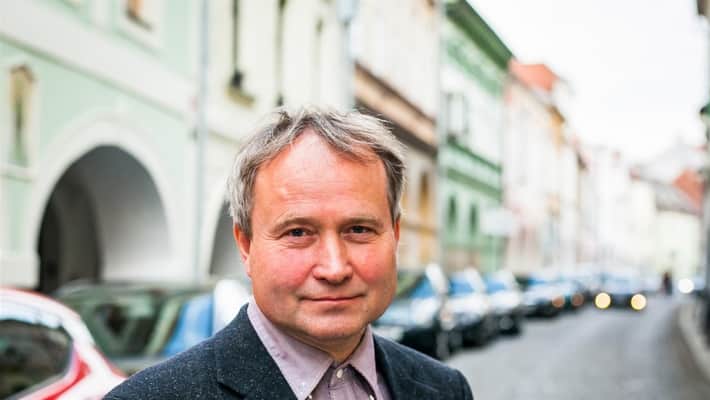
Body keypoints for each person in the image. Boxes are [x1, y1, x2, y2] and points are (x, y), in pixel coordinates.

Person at [104, 107, 474, 400]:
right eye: (298, 233)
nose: (334, 268)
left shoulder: (444, 390)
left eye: (359, 230)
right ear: (246, 245)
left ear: (395, 235)